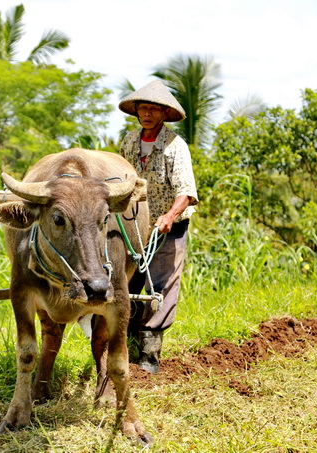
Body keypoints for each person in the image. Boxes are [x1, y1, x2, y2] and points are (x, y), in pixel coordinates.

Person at [118, 79, 199, 373]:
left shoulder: (176, 146)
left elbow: (186, 192)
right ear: (137, 111)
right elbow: (120, 182)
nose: (148, 113)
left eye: (154, 109)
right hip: (133, 227)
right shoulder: (129, 142)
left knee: (159, 288)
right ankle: (122, 351)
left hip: (167, 228)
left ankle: (149, 359)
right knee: (126, 285)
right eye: (144, 108)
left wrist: (168, 216)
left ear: (164, 113)